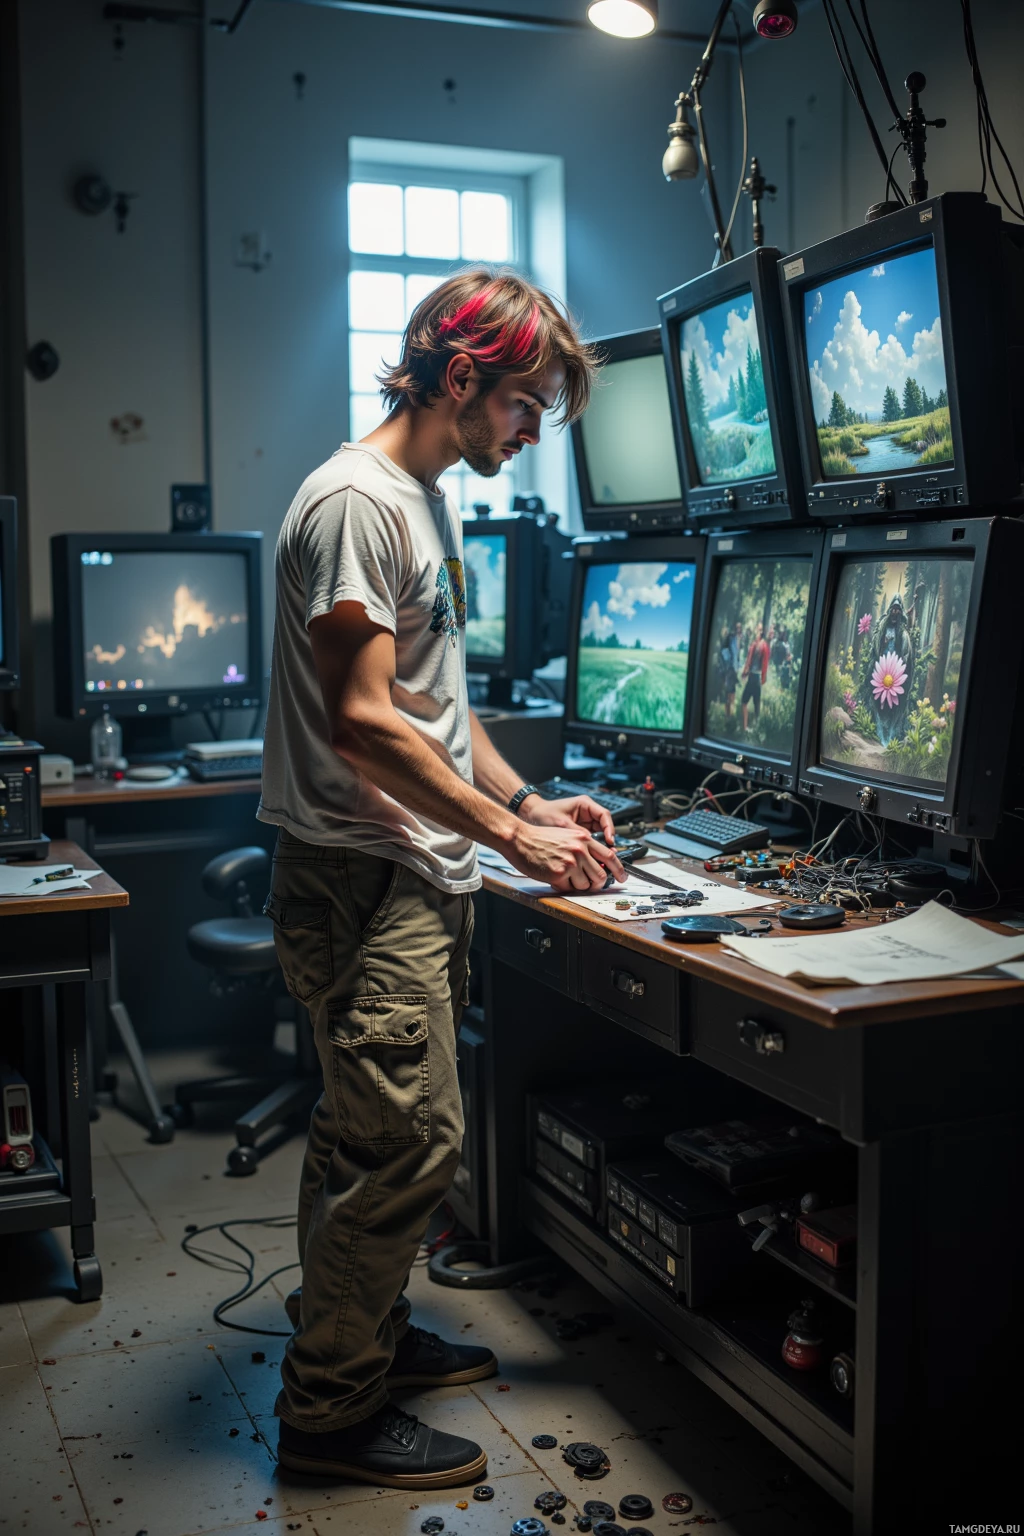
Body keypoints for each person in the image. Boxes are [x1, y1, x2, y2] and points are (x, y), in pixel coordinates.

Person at [258, 267, 624, 1489]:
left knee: (363, 1137)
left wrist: (523, 804)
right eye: (524, 406)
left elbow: (434, 711)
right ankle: (330, 1414)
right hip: (362, 878)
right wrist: (514, 846)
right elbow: (363, 723)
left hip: (409, 871)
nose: (530, 435)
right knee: (409, 1146)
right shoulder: (354, 504)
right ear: (461, 377)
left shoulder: (419, 502)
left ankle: (362, 1336)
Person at [741, 620, 770, 732]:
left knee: (750, 703)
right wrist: (745, 672)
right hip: (754, 677)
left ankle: (750, 728)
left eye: (758, 629)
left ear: (760, 631)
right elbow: (750, 661)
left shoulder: (760, 645)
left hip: (755, 677)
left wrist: (746, 673)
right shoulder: (760, 645)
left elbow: (762, 663)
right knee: (752, 703)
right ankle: (748, 728)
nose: (756, 630)